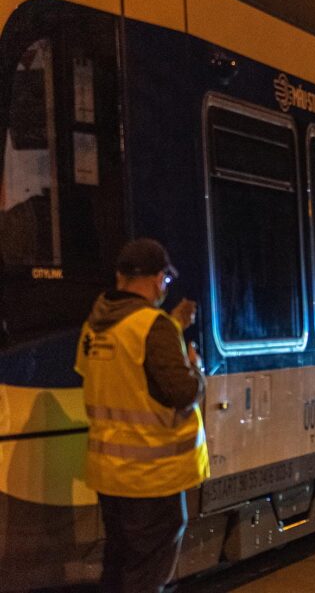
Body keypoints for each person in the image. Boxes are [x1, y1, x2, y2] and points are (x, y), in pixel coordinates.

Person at [74, 238, 209, 593]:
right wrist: (194, 367)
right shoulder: (153, 326)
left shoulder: (95, 325)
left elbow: (125, 373)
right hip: (151, 476)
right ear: (156, 279)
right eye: (165, 281)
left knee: (119, 565)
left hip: (110, 473)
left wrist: (170, 328)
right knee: (146, 574)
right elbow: (181, 392)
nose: (165, 288)